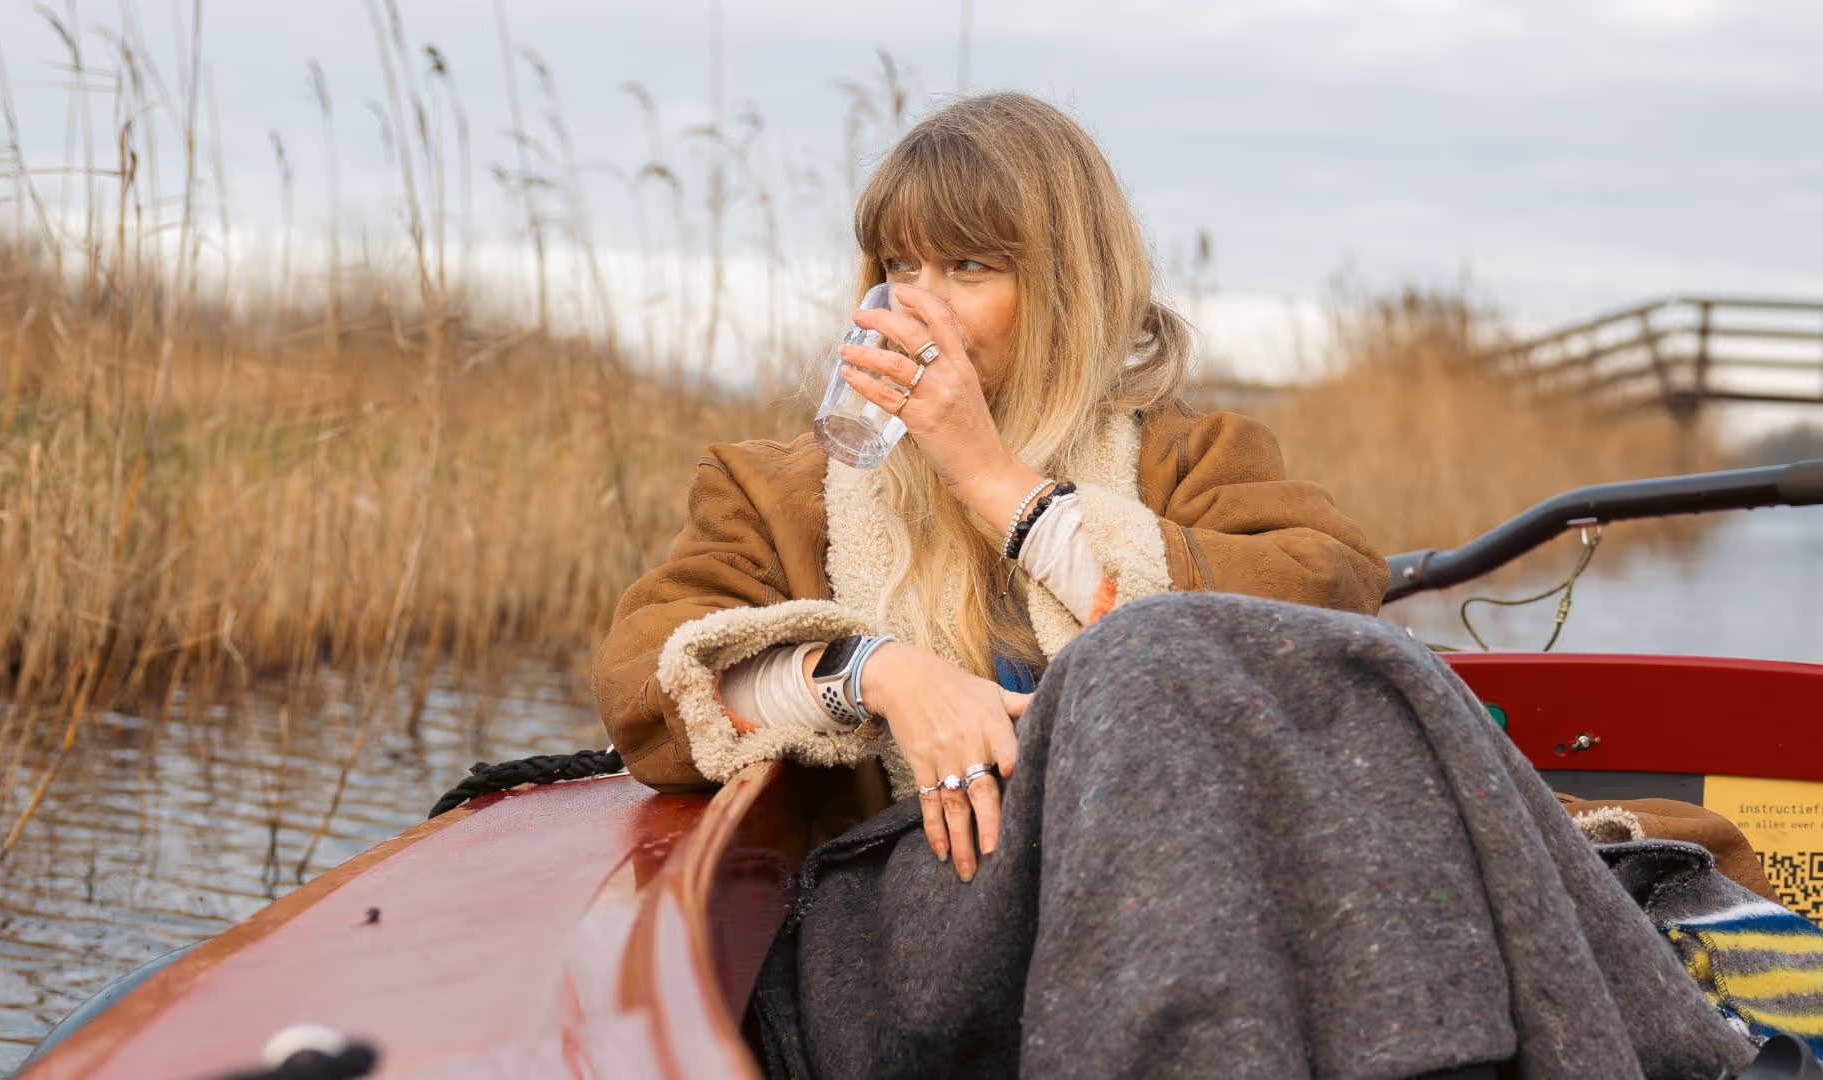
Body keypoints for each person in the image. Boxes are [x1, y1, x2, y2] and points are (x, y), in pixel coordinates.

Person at [595, 94, 1753, 1078]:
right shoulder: (778, 490)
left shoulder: (1191, 459)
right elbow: (655, 683)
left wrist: (1002, 485)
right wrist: (876, 670)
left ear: (1065, 284)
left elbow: (1330, 604)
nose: (918, 303)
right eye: (899, 265)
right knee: (1138, 661)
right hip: (936, 914)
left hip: (1225, 898)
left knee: (1232, 670)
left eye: (969, 266)